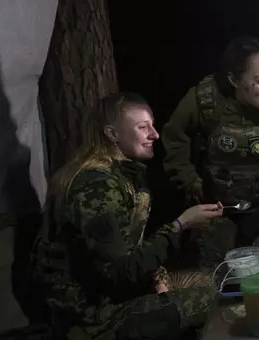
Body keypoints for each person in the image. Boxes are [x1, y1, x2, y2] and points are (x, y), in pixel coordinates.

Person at [30, 92, 222, 339]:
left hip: (119, 294)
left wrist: (158, 281)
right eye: (143, 127)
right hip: (94, 316)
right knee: (214, 299)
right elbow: (120, 273)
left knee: (219, 279)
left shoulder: (126, 173)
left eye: (152, 125)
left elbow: (130, 246)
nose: (155, 134)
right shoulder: (96, 188)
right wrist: (180, 225)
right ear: (112, 134)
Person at [162, 36, 259, 267]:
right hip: (220, 211)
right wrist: (190, 181)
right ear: (233, 79)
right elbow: (174, 138)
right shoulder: (206, 101)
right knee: (218, 280)